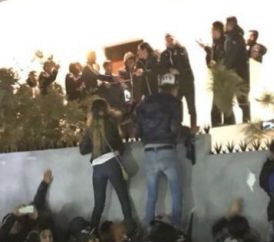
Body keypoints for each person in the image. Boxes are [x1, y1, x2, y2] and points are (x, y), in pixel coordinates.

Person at [135, 74, 184, 228]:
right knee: (176, 193)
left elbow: (137, 131)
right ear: (174, 88)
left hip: (149, 151)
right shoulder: (175, 102)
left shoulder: (144, 103)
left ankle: (148, 229)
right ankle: (176, 229)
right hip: (167, 150)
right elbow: (174, 128)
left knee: (151, 196)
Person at [79, 99, 135, 231]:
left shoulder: (90, 128)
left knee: (99, 203)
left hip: (97, 167)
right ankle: (131, 231)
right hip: (112, 163)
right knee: (123, 198)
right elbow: (120, 145)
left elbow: (82, 150)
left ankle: (92, 233)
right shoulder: (111, 122)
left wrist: (95, 146)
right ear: (106, 108)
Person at [159, 33, 197, 131]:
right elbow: (161, 68)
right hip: (175, 85)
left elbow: (185, 64)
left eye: (171, 39)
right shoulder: (164, 54)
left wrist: (177, 69)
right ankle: (177, 127)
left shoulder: (182, 50)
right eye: (167, 40)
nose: (170, 42)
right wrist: (169, 70)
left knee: (191, 106)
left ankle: (193, 126)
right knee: (176, 106)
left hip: (187, 82)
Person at [198, 21, 232, 127]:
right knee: (217, 109)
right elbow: (213, 56)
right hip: (218, 79)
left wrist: (216, 64)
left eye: (213, 30)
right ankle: (219, 129)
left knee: (223, 108)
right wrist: (206, 49)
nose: (211, 33)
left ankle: (227, 128)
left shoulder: (225, 43)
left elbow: (226, 59)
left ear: (218, 31)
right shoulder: (216, 43)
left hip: (224, 79)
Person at [224, 17, 251, 123]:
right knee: (230, 100)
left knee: (242, 100)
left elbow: (232, 56)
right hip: (232, 74)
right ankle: (231, 122)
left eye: (228, 23)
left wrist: (225, 67)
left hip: (239, 75)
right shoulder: (228, 38)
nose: (226, 25)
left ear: (233, 24)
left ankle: (246, 120)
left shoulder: (237, 38)